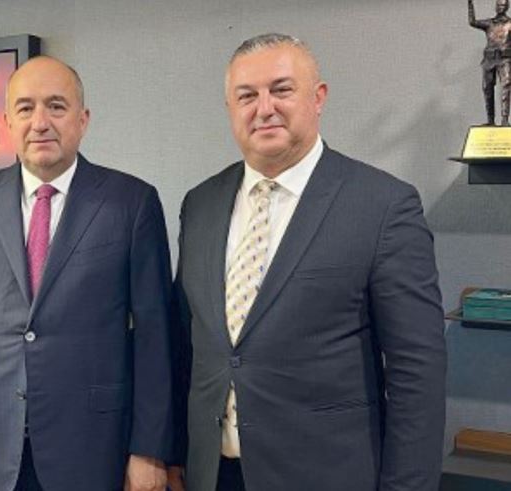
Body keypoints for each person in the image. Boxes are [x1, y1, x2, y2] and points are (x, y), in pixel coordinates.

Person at [169, 33, 446, 491]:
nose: (264, 108)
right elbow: (188, 343)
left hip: (326, 475)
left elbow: (418, 368)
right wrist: (174, 451)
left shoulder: (383, 206)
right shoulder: (200, 204)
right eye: (247, 96)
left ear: (318, 98)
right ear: (230, 108)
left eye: (281, 90)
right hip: (214, 474)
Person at [0, 56, 173, 491]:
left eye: (56, 106)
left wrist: (150, 449)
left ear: (83, 119)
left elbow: (155, 335)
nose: (40, 122)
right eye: (25, 108)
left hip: (93, 446)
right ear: (7, 122)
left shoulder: (132, 203)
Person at [469, 0, 511, 125]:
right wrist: (470, 5)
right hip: (489, 60)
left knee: (506, 86)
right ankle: (490, 120)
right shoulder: (489, 23)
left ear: (507, 7)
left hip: (504, 59)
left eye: (503, 5)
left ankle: (504, 119)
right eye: (498, 5)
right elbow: (472, 22)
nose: (500, 7)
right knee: (487, 88)